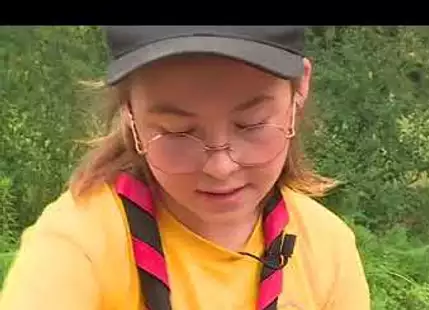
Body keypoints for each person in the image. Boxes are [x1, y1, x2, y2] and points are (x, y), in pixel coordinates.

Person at [0, 26, 371, 310]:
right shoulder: (82, 243)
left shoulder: (327, 250)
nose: (221, 167)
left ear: (300, 89)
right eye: (177, 133)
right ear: (129, 113)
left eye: (252, 125)